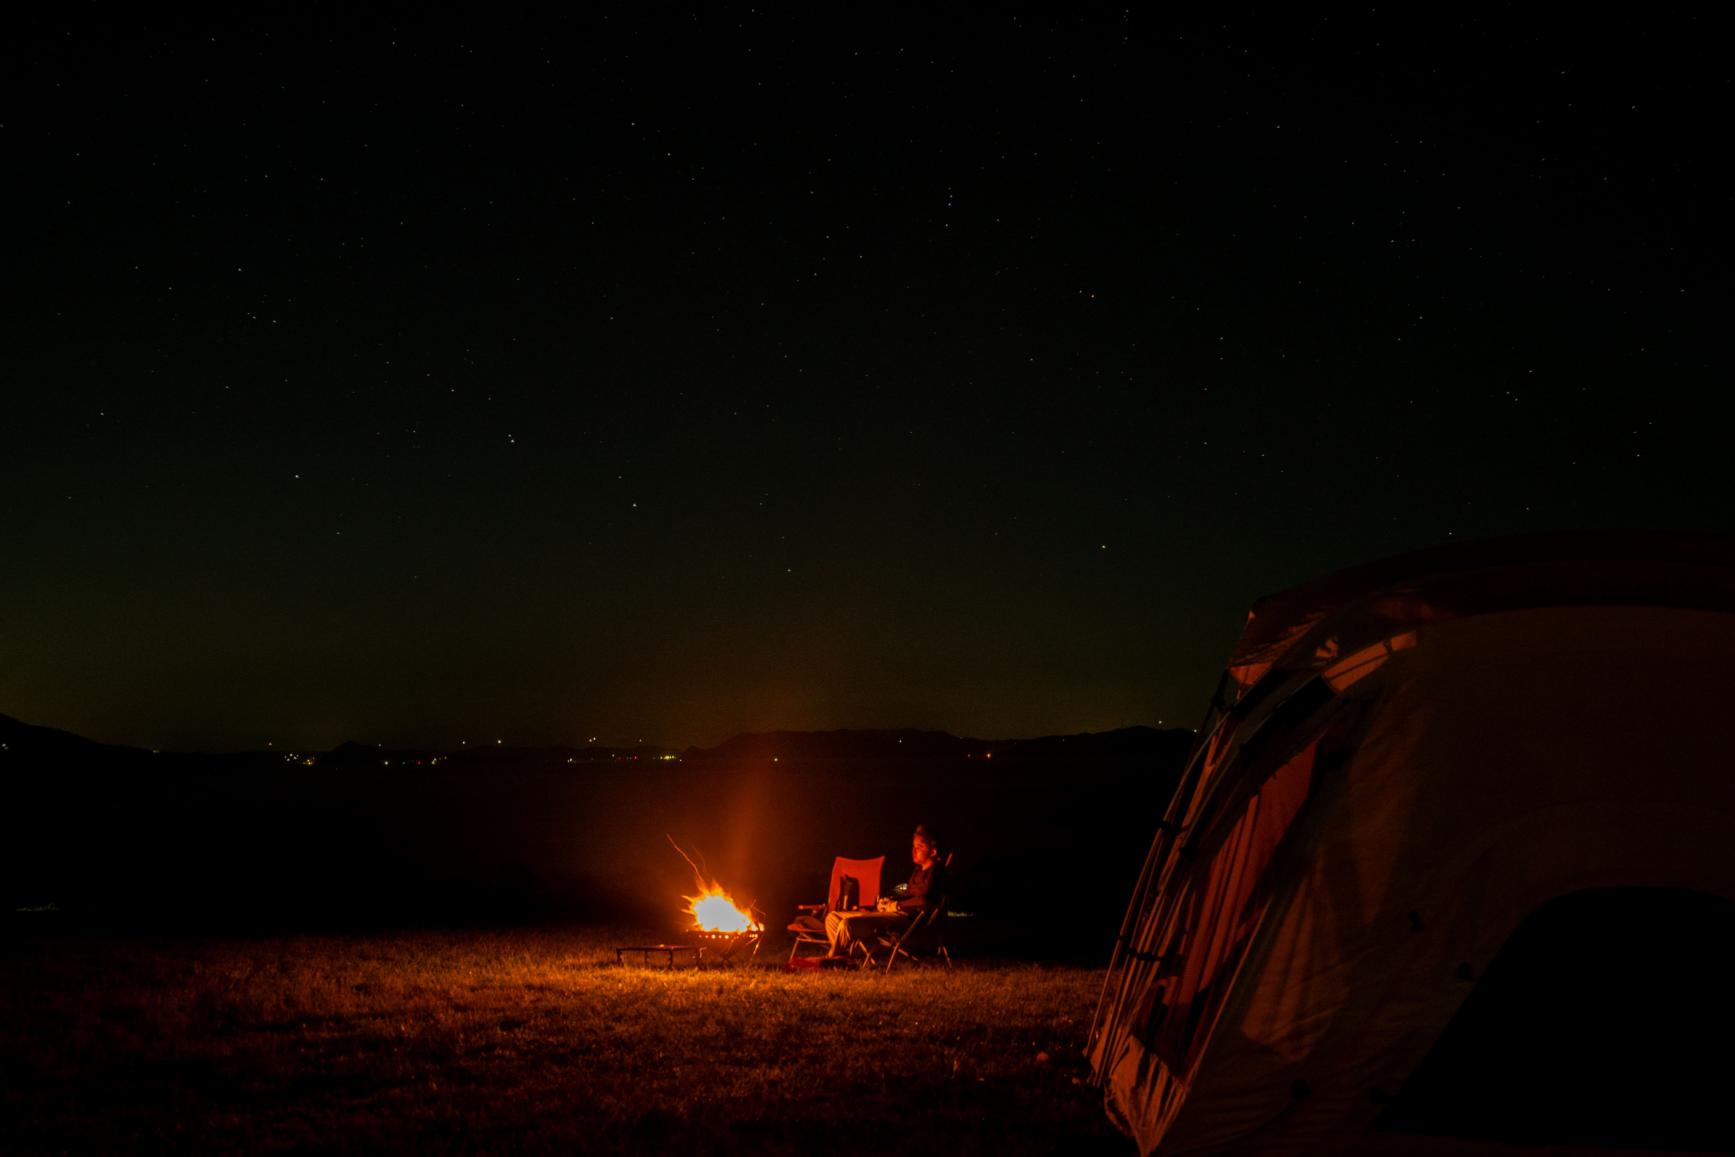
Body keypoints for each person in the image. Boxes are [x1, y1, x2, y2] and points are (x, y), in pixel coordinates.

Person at [826, 825, 947, 957]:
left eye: (919, 847)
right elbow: (907, 891)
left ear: (933, 852)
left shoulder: (936, 873)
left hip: (907, 918)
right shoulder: (918, 870)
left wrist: (897, 905)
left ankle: (832, 958)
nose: (914, 850)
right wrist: (889, 899)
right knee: (833, 917)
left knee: (848, 923)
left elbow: (924, 899)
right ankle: (843, 956)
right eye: (913, 846)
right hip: (896, 912)